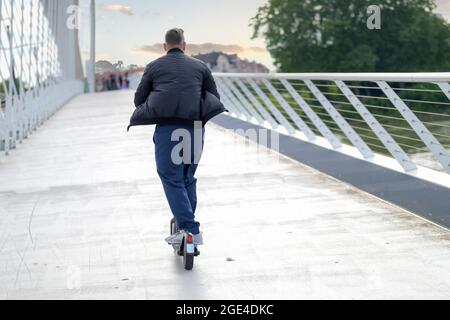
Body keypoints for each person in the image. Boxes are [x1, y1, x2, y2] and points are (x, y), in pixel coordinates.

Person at [129, 28, 226, 246]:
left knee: (170, 177)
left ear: (165, 46)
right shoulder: (200, 67)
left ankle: (190, 230)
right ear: (184, 45)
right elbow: (214, 97)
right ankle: (186, 227)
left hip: (168, 129)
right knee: (187, 176)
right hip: (195, 128)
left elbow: (139, 100)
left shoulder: (154, 67)